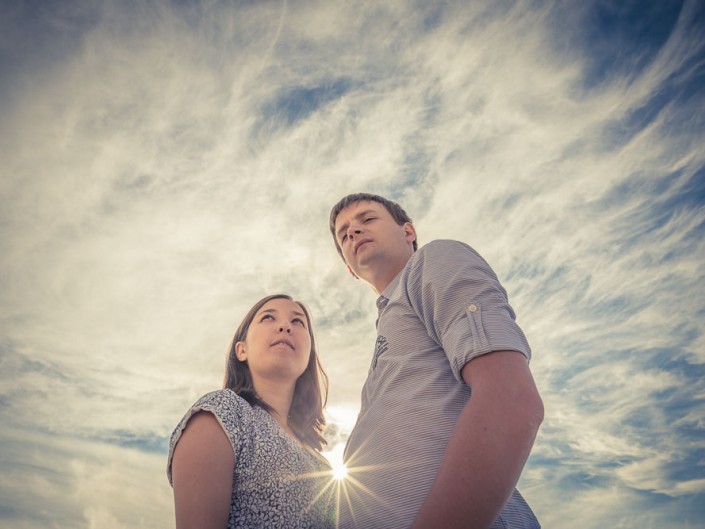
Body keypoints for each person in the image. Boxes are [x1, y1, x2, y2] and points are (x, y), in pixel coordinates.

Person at [329, 193, 544, 529]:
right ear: (350, 270)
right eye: (343, 234)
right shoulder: (388, 331)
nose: (353, 232)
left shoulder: (433, 260)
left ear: (408, 231)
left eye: (367, 219)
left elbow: (512, 399)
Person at [167, 294, 335, 529]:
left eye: (298, 322)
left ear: (309, 356)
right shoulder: (221, 414)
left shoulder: (324, 468)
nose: (285, 326)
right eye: (268, 317)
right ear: (241, 350)